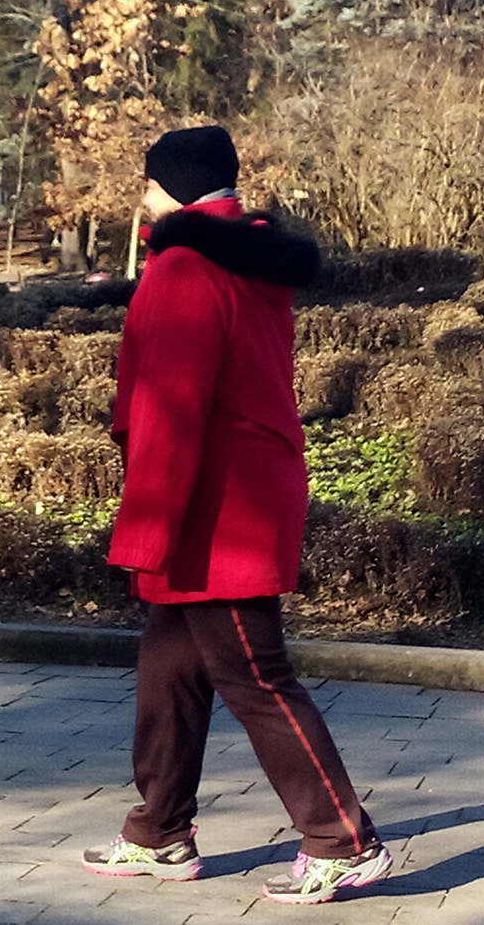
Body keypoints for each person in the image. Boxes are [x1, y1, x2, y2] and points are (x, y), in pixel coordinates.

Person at [80, 124, 391, 906]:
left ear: (176, 188)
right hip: (233, 490)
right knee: (169, 666)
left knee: (255, 674)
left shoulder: (186, 267)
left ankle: (342, 841)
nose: (144, 197)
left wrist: (146, 528)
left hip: (218, 509)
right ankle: (159, 830)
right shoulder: (243, 258)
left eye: (150, 183)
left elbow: (169, 408)